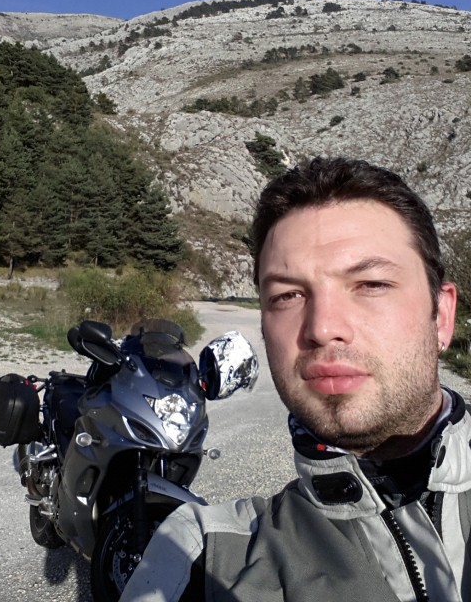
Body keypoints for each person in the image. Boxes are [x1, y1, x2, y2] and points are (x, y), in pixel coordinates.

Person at [120, 157, 470, 602]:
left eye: (371, 284)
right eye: (287, 295)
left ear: (441, 317)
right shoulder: (202, 557)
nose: (322, 327)